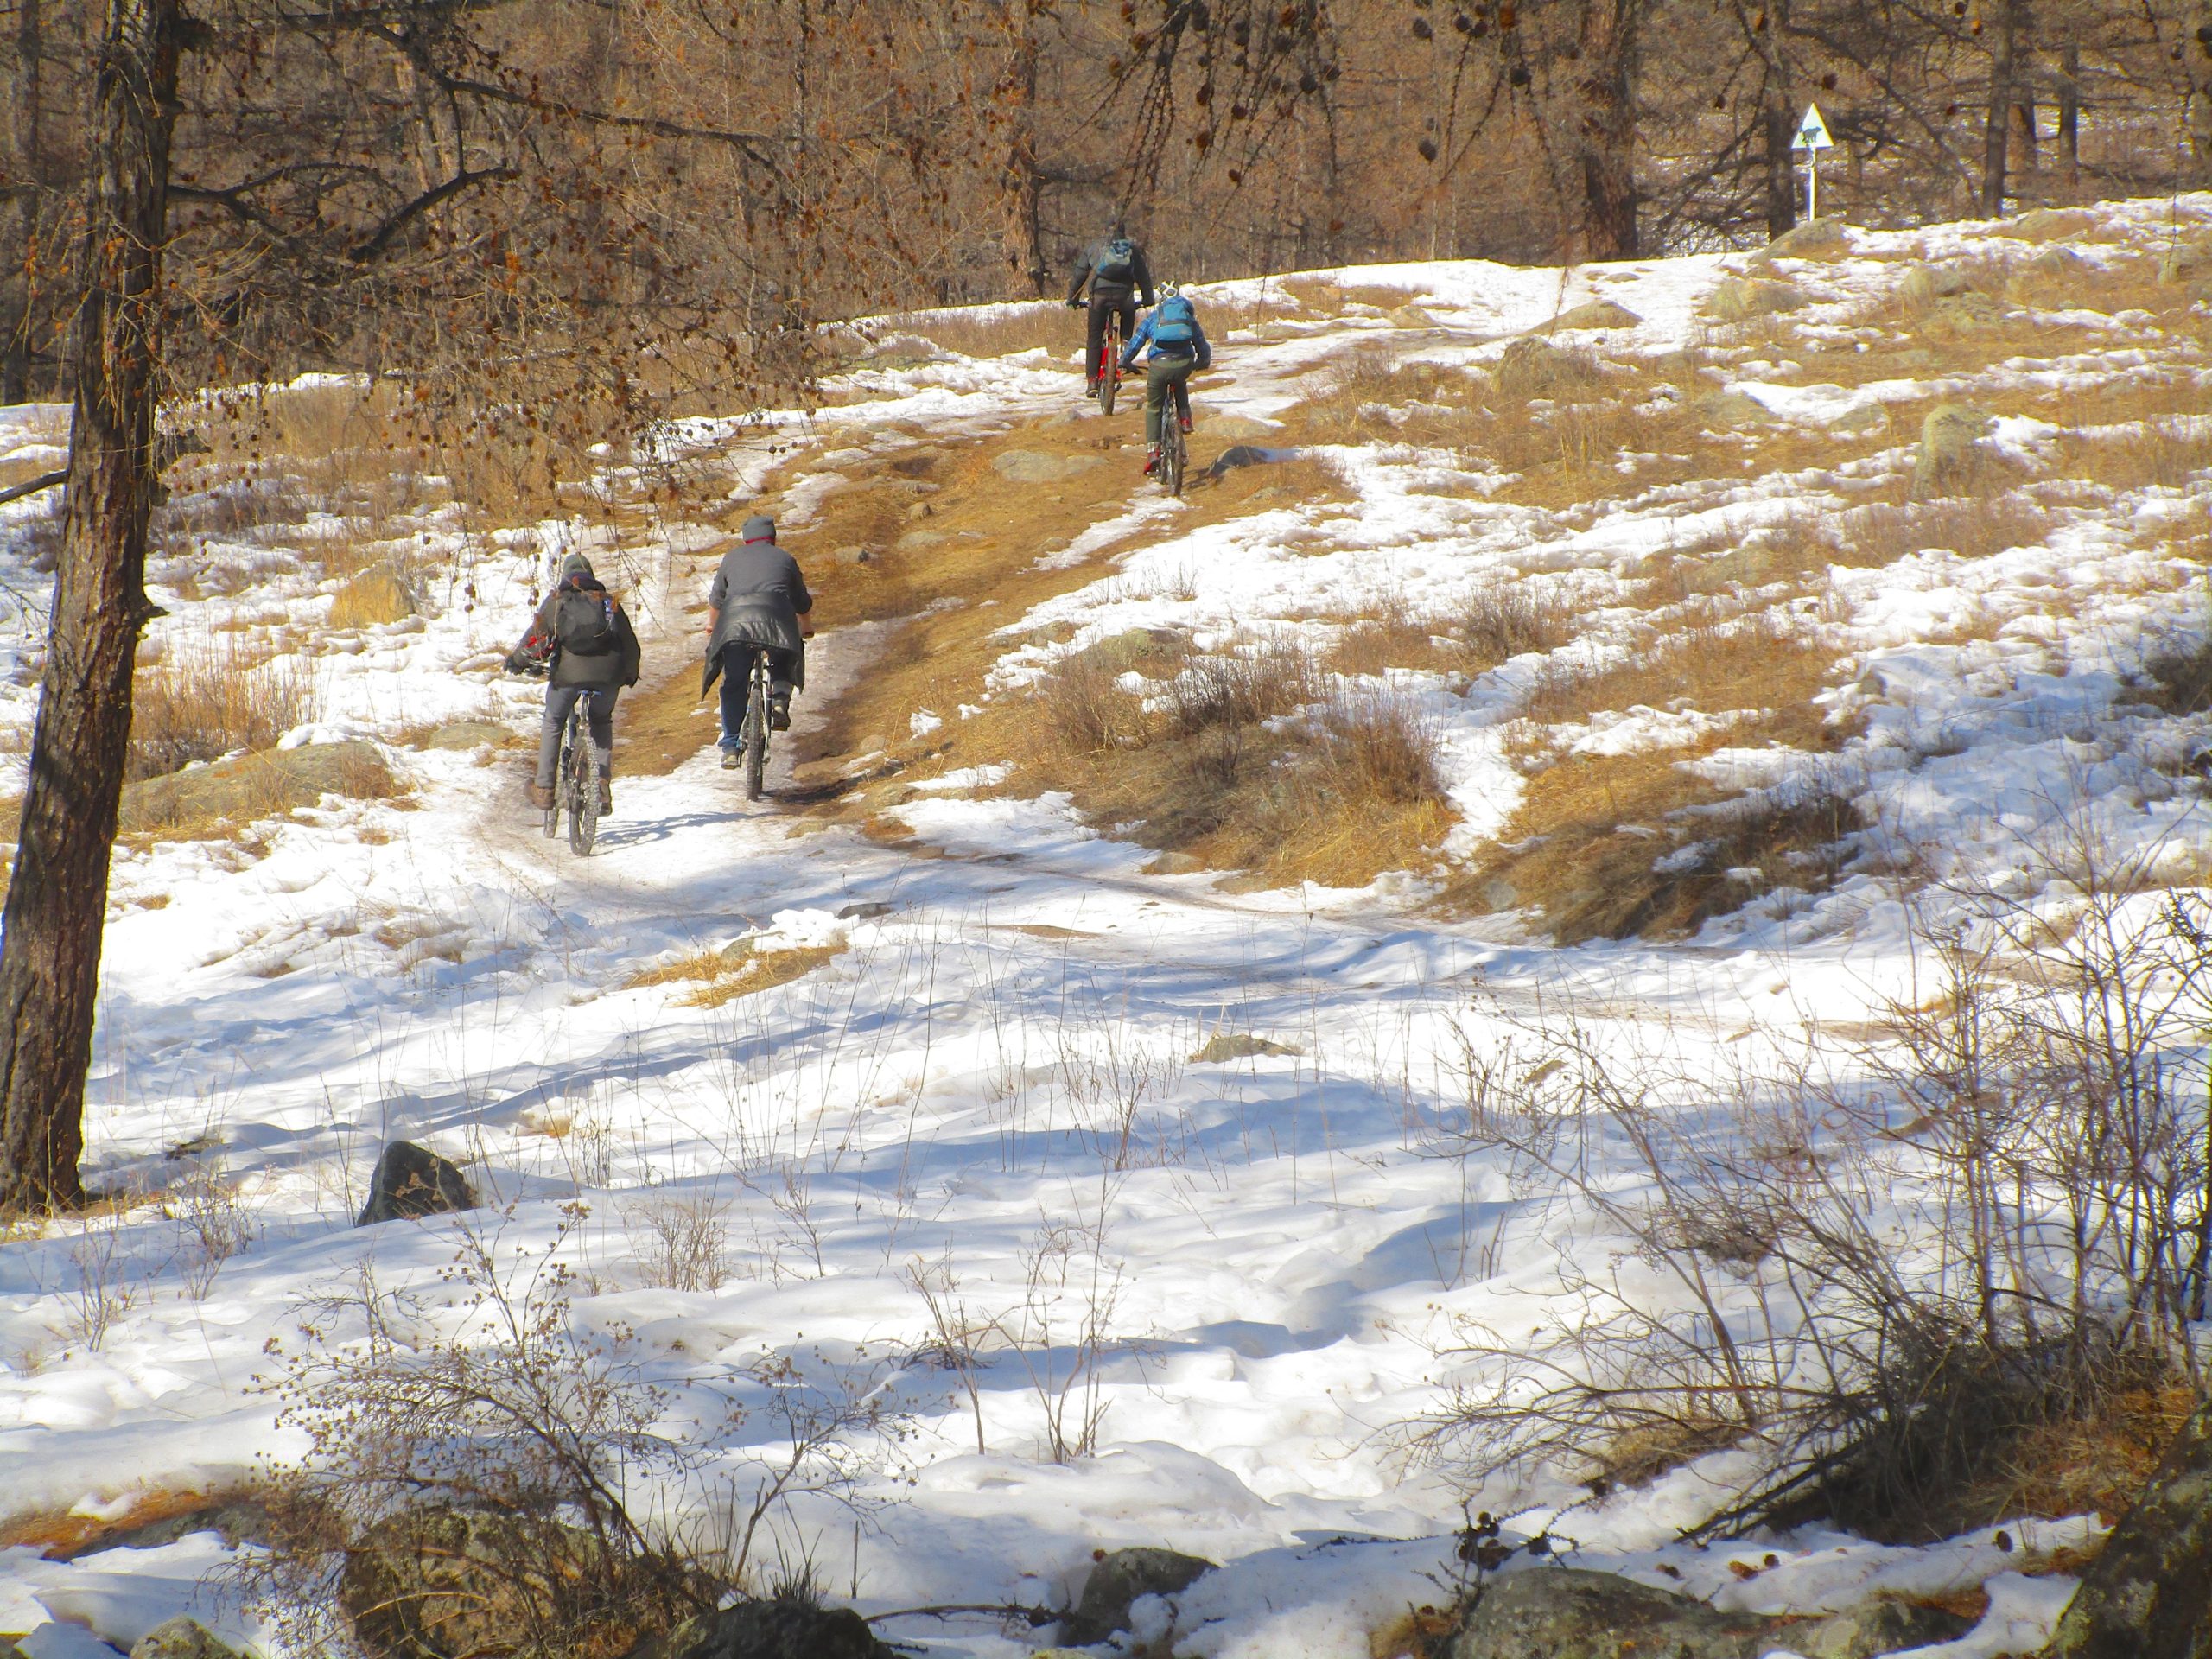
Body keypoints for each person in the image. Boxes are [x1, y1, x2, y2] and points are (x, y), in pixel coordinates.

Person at [507, 550, 642, 814]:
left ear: (567, 577)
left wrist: (518, 660)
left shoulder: (558, 600)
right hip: (607, 677)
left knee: (554, 719)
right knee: (600, 720)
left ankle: (545, 789)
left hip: (568, 676)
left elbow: (537, 637)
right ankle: (601, 786)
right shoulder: (607, 602)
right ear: (590, 576)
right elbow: (629, 643)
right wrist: (628, 673)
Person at [702, 514, 815, 768]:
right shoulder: (785, 558)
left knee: (734, 682)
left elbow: (717, 599)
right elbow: (801, 601)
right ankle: (779, 700)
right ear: (773, 539)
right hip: (777, 618)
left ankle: (731, 746)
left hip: (736, 623)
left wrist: (712, 625)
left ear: (745, 540)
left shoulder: (731, 558)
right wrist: (805, 628)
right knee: (785, 650)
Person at [1120, 283, 1212, 477]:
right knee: (1179, 381)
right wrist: (1201, 362)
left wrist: (1124, 362)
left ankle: (1153, 451)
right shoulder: (1187, 317)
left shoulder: (1154, 317)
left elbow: (1136, 343)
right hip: (1184, 363)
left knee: (1154, 407)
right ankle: (1185, 419)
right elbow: (1202, 344)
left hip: (1159, 366)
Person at [1065, 219, 1156, 398]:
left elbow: (1079, 275)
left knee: (1094, 337)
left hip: (1099, 296)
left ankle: (1092, 382)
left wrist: (1073, 300)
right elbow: (1143, 276)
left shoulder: (1094, 247)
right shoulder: (1132, 249)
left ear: (1103, 230)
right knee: (1128, 313)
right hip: (1124, 296)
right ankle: (1126, 347)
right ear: (1124, 231)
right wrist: (1147, 299)